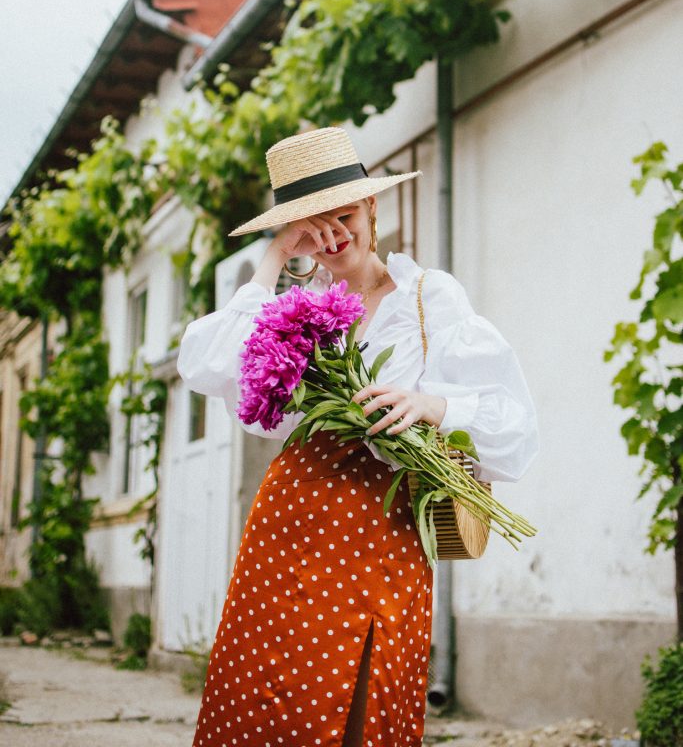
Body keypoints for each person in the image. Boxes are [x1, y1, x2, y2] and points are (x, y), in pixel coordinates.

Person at [177, 125, 539, 747]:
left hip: (385, 521)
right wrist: (273, 257)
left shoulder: (429, 296)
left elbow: (513, 420)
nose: (334, 237)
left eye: (344, 215)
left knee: (368, 694)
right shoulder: (295, 310)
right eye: (314, 229)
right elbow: (207, 363)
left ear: (373, 206)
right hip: (292, 525)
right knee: (273, 697)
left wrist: (431, 404)